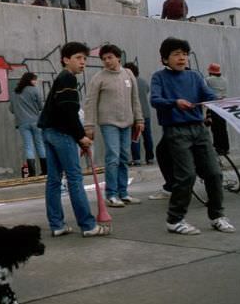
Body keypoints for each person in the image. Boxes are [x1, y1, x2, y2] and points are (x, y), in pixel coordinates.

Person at [150, 37, 235, 235]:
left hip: (200, 130)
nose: (182, 58)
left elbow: (208, 96)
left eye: (185, 54)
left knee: (214, 173)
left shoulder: (195, 76)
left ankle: (217, 216)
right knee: (186, 176)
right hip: (176, 132)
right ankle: (175, 220)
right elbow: (155, 100)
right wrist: (174, 102)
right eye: (176, 54)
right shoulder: (159, 77)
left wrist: (222, 101)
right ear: (165, 58)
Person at [37, 41, 110, 238]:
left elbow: (63, 110)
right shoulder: (68, 79)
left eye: (85, 58)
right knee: (75, 179)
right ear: (65, 60)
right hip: (62, 134)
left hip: (49, 132)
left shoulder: (61, 78)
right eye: (78, 58)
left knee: (53, 180)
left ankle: (57, 225)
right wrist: (81, 137)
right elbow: (69, 112)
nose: (83, 62)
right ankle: (88, 225)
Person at [84, 44, 144, 207]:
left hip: (127, 122)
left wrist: (139, 120)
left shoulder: (128, 74)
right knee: (113, 157)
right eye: (104, 59)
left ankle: (123, 192)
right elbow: (90, 102)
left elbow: (135, 99)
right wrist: (88, 125)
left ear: (118, 57)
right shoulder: (99, 77)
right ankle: (111, 194)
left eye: (110, 57)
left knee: (125, 158)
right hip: (108, 123)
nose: (107, 61)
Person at [10, 73, 46, 176]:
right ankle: (45, 170)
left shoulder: (15, 93)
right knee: (40, 145)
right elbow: (41, 107)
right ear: (29, 80)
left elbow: (11, 109)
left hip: (22, 123)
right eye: (34, 80)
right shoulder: (34, 90)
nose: (36, 82)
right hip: (36, 122)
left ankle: (32, 173)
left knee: (28, 146)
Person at [124, 62, 154, 166]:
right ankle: (150, 158)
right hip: (146, 113)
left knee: (135, 137)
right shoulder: (143, 82)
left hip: (135, 115)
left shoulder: (128, 83)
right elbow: (147, 91)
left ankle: (137, 159)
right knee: (147, 137)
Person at [204, 63, 230, 155]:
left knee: (215, 128)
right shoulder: (224, 80)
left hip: (213, 104)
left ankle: (218, 147)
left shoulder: (208, 79)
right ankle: (225, 147)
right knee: (222, 127)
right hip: (223, 104)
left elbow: (205, 90)